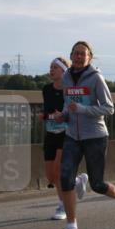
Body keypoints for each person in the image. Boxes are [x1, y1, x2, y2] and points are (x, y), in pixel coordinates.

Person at [50, 41, 115, 229]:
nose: (79, 57)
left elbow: (108, 108)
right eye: (76, 53)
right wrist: (62, 116)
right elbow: (67, 104)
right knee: (65, 178)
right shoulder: (66, 78)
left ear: (90, 57)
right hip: (72, 135)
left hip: (95, 136)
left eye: (83, 54)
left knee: (97, 184)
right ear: (71, 55)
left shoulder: (96, 78)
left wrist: (81, 110)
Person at [41, 57, 88, 220]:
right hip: (50, 134)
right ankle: (77, 180)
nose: (51, 70)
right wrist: (46, 115)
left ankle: (63, 206)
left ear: (63, 71)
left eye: (55, 67)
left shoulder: (70, 90)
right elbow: (47, 112)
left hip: (66, 133)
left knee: (58, 171)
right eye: (50, 67)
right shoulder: (46, 89)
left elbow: (75, 111)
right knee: (50, 176)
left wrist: (63, 116)